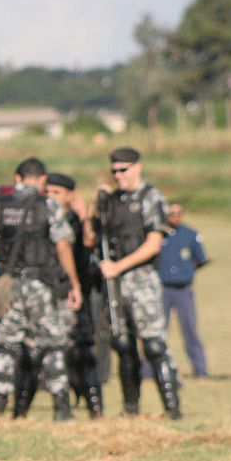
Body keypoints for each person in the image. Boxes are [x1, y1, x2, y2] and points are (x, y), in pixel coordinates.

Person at [0, 158, 82, 421]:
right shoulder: (48, 205)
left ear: (17, 178)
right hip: (41, 284)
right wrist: (73, 282)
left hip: (9, 285)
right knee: (52, 344)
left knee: (4, 344)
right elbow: (62, 246)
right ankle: (62, 408)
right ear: (41, 180)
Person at [90, 147, 182, 419]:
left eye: (124, 170)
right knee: (123, 345)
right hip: (116, 285)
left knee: (153, 345)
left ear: (137, 167)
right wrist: (98, 202)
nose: (118, 176)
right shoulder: (113, 200)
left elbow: (153, 245)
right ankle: (131, 408)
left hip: (141, 281)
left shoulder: (150, 197)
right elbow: (93, 234)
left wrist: (117, 267)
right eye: (114, 171)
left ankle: (173, 409)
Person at [46, 172, 103, 418]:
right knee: (58, 351)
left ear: (70, 196)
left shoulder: (76, 220)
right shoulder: (43, 218)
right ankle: (64, 405)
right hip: (51, 293)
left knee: (83, 351)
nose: (50, 197)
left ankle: (95, 408)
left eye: (56, 193)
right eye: (47, 192)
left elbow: (91, 242)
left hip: (76, 294)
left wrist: (83, 215)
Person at [159, 203, 209, 378]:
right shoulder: (157, 235)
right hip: (162, 290)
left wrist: (185, 272)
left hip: (183, 290)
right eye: (171, 213)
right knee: (157, 332)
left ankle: (200, 369)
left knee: (190, 331)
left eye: (178, 213)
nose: (175, 216)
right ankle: (150, 371)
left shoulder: (190, 235)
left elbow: (200, 260)